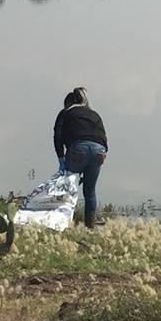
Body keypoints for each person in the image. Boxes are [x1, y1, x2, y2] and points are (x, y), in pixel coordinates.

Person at [53, 87, 108, 229]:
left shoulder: (65, 112)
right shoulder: (94, 113)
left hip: (79, 149)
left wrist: (61, 159)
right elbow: (103, 136)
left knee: (67, 184)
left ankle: (62, 221)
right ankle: (90, 226)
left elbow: (58, 136)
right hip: (99, 151)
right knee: (90, 190)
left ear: (68, 103)